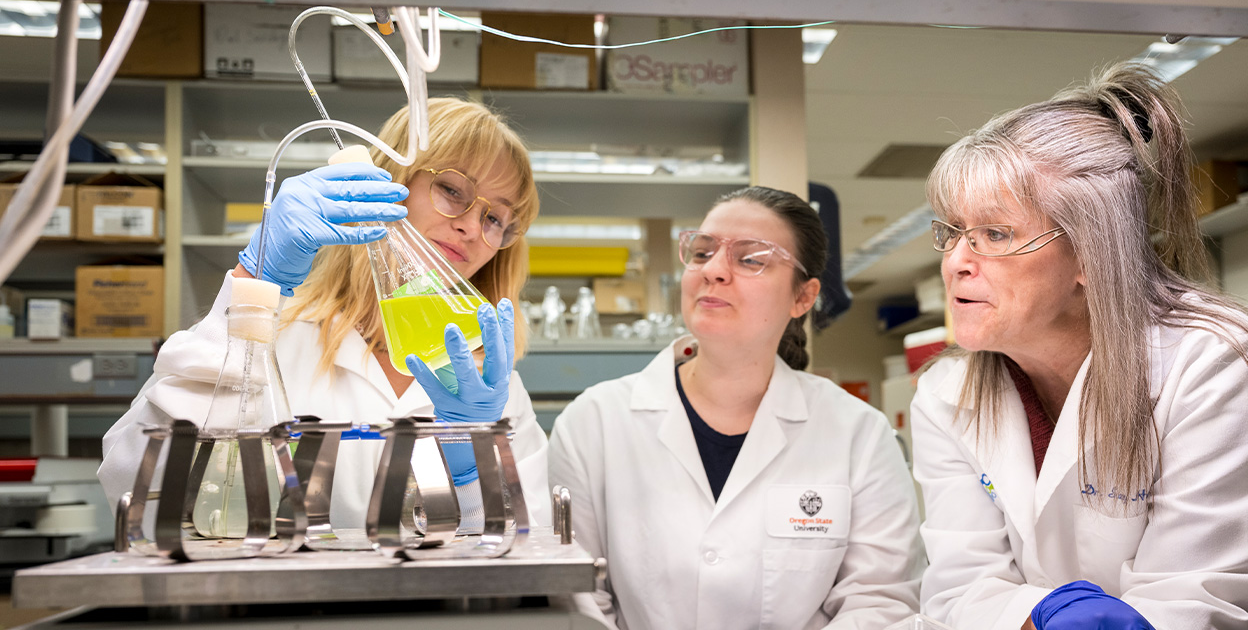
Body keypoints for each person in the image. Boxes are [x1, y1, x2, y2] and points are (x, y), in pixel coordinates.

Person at [911, 62, 1248, 630]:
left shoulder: (1214, 361)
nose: (955, 261)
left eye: (995, 234)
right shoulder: (946, 392)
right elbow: (960, 586)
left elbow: (1199, 600)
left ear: (1089, 254)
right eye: (952, 232)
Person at [99, 97, 550, 533]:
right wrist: (251, 289)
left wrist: (472, 470)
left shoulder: (492, 386)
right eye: (452, 190)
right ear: (387, 182)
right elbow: (136, 486)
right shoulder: (274, 337)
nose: (472, 227)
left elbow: (525, 548)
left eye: (496, 220)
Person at [549, 187, 924, 630]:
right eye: (702, 252)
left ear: (802, 297)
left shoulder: (859, 435)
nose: (714, 271)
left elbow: (880, 600)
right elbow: (578, 595)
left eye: (750, 259)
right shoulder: (594, 422)